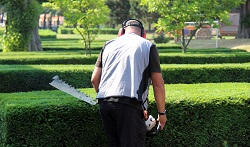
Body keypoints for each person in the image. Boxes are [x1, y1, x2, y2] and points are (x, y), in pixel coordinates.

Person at [91, 19, 166, 147]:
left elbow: (94, 79)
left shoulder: (108, 44)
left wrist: (107, 98)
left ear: (121, 32)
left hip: (105, 104)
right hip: (129, 105)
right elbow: (158, 84)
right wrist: (162, 113)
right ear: (143, 34)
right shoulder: (148, 46)